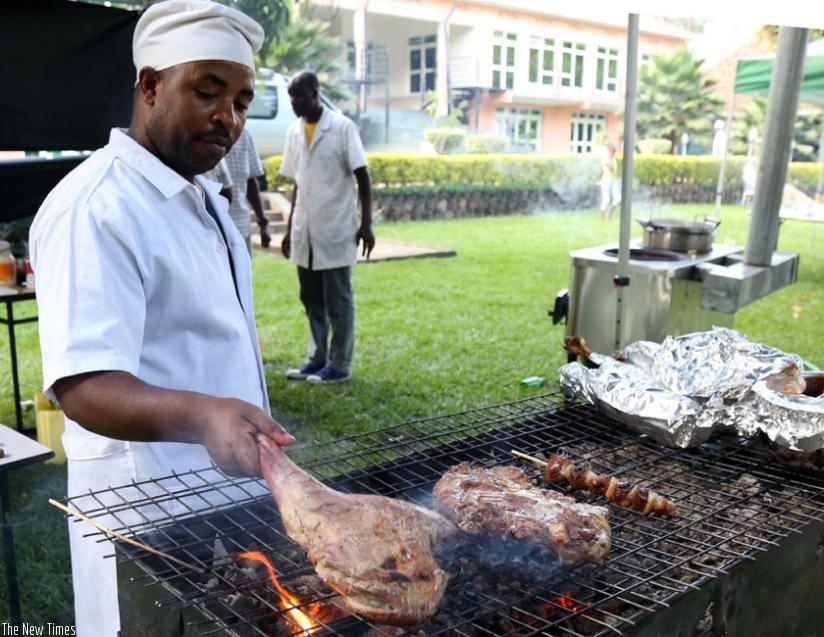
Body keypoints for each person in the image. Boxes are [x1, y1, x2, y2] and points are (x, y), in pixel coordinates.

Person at [28, 2, 296, 634]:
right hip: (146, 514)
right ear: (150, 85)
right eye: (208, 92)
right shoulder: (95, 209)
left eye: (241, 101)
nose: (228, 118)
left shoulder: (199, 195)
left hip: (226, 495)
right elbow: (83, 387)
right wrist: (206, 414)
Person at [280, 71, 374, 385]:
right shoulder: (294, 130)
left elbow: (363, 176)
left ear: (316, 92)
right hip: (304, 228)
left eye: (301, 97)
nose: (295, 104)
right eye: (291, 98)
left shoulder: (342, 127)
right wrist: (289, 227)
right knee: (311, 298)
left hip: (336, 226)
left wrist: (366, 225)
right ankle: (316, 357)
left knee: (338, 300)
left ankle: (339, 364)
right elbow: (298, 182)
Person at [223, 126, 271, 252]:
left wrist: (262, 222)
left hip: (241, 227)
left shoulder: (244, 134)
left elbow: (251, 181)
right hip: (210, 231)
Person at [600, 142, 620, 220]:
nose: (613, 153)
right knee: (606, 200)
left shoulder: (613, 159)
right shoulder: (606, 159)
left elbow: (614, 171)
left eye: (613, 152)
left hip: (613, 181)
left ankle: (609, 213)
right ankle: (603, 217)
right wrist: (610, 158)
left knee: (618, 198)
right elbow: (611, 168)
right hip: (606, 181)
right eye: (612, 151)